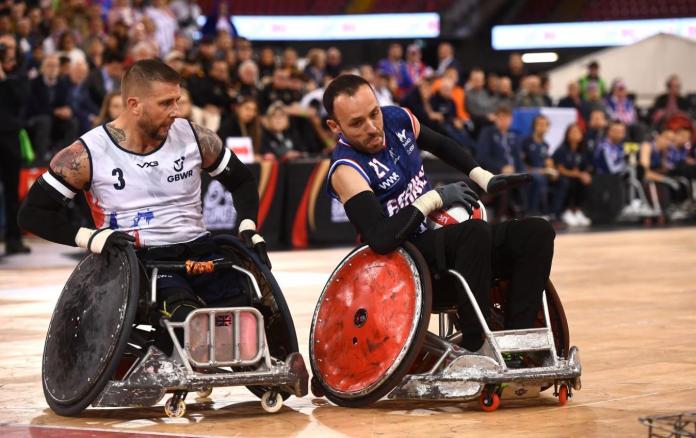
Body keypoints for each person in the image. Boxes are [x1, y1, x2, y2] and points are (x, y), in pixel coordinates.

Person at [18, 59, 270, 349]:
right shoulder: (86, 154)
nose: (177, 111)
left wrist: (248, 226)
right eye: (166, 103)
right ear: (134, 104)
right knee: (186, 319)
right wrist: (91, 237)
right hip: (139, 259)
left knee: (243, 313)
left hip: (200, 248)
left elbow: (242, 180)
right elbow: (32, 214)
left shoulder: (194, 137)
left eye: (178, 100)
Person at [323, 74, 554, 353]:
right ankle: (475, 345)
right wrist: (435, 198)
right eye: (357, 123)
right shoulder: (346, 169)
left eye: (374, 113)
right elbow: (380, 238)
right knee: (473, 233)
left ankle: (517, 342)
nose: (373, 127)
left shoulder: (398, 118)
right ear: (335, 126)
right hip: (401, 259)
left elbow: (441, 144)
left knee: (536, 232)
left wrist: (483, 177)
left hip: (442, 240)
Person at [0, 34, 31, 255]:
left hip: (9, 136)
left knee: (11, 190)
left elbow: (21, 101)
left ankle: (13, 239)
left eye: (8, 47)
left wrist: (3, 78)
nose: (5, 50)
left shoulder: (19, 75)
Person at [552, 124, 592, 227]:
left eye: (577, 132)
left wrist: (585, 175)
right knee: (568, 182)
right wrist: (577, 174)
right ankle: (566, 211)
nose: (575, 135)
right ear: (567, 135)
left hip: (576, 178)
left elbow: (585, 168)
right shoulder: (561, 150)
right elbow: (560, 169)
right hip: (562, 177)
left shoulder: (582, 151)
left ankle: (578, 211)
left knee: (585, 182)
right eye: (572, 132)